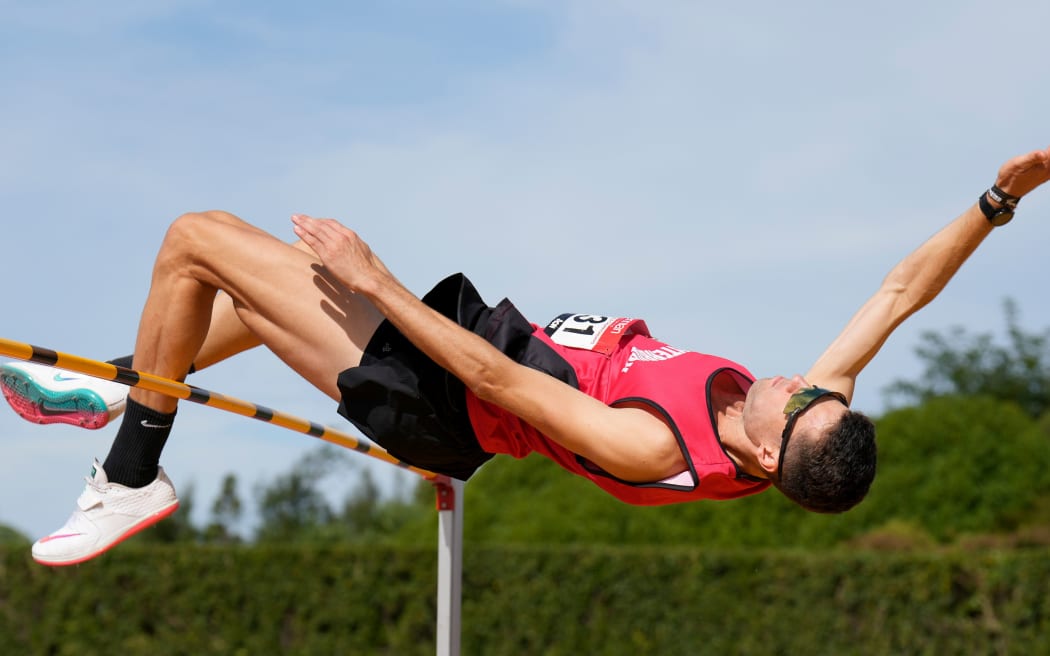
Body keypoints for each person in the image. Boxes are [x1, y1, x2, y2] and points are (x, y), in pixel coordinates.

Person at [5, 146, 1050, 566]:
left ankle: (129, 473)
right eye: (811, 390)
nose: (795, 381)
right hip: (473, 357)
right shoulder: (799, 408)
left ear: (772, 461)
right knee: (220, 288)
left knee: (196, 234)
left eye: (797, 405)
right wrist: (1001, 198)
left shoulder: (654, 447)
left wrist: (377, 282)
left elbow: (500, 384)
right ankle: (115, 385)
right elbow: (901, 293)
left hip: (447, 398)